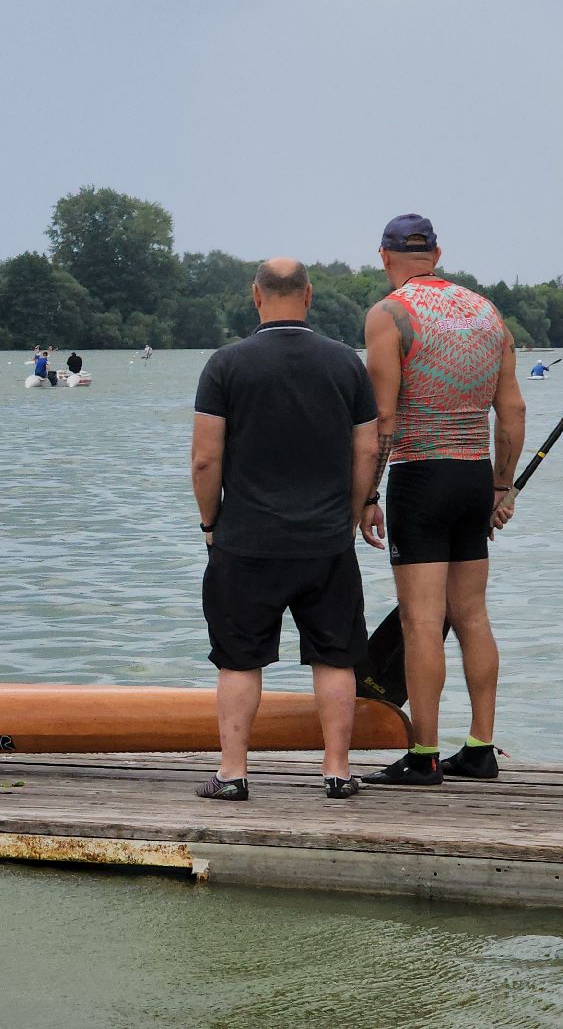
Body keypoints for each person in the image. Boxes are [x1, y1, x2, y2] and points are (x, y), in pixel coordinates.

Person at [192, 258, 381, 802]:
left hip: (246, 541)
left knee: (238, 659)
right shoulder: (345, 363)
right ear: (309, 295)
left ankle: (233, 773)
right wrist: (353, 513)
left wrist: (210, 523)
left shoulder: (225, 365)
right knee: (335, 655)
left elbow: (205, 459)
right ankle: (337, 771)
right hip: (326, 541)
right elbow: (368, 451)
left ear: (256, 296)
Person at [360, 214, 525, 786]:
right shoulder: (487, 312)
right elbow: (512, 411)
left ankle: (424, 754)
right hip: (474, 476)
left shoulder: (389, 314)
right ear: (437, 253)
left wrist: (367, 493)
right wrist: (501, 486)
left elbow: (383, 417)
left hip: (420, 477)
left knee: (422, 622)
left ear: (385, 256)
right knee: (472, 615)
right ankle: (480, 748)